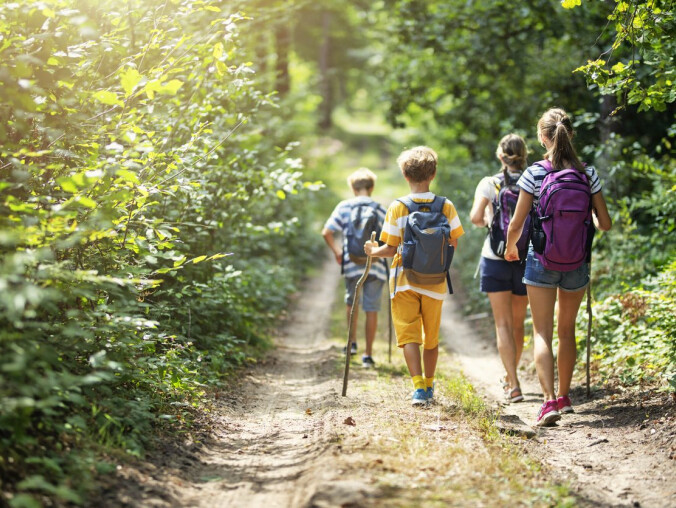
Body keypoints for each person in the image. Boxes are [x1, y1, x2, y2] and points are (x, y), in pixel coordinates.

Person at [504, 108, 612, 426]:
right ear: (570, 133)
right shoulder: (587, 173)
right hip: (577, 261)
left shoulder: (535, 173)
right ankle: (565, 398)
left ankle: (548, 402)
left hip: (541, 259)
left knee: (542, 332)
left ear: (541, 137)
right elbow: (605, 223)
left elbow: (517, 223)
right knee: (567, 331)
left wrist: (511, 248)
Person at [365, 146, 464, 406]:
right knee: (431, 338)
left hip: (404, 281)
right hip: (436, 282)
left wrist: (372, 251)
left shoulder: (398, 207)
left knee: (409, 335)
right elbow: (454, 243)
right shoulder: (447, 206)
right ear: (433, 174)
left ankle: (418, 387)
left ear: (405, 176)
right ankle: (431, 385)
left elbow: (389, 248)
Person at [469, 134, 529, 404]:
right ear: (524, 155)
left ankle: (513, 383)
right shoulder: (534, 180)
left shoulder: (489, 183)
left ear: (500, 156)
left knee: (502, 324)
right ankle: (511, 376)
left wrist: (489, 224)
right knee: (518, 324)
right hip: (525, 258)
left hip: (495, 258)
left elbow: (475, 217)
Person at [322, 167, 388, 368]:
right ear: (372, 187)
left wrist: (337, 252)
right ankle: (368, 355)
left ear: (353, 188)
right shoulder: (379, 208)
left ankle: (351, 344)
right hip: (374, 265)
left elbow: (327, 232)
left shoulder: (344, 207)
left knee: (352, 303)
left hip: (351, 264)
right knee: (372, 308)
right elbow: (391, 237)